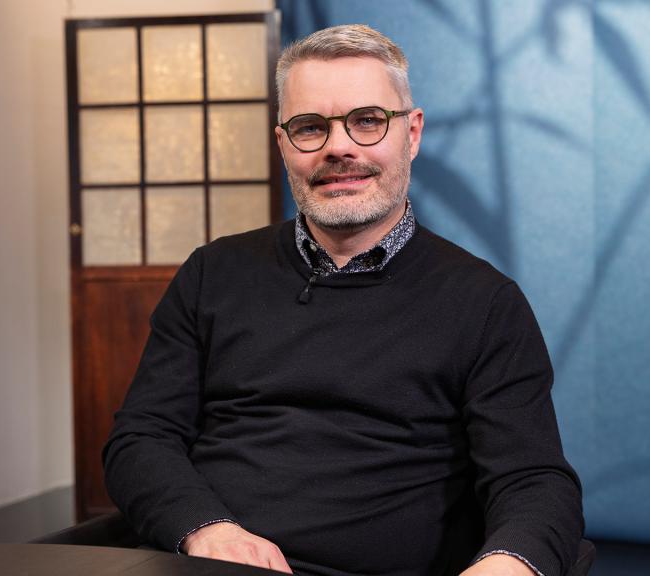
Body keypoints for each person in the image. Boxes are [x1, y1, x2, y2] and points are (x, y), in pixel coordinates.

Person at [103, 24, 583, 576]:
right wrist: (207, 530)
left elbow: (534, 480)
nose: (339, 147)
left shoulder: (485, 303)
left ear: (412, 133)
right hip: (217, 564)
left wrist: (508, 562)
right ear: (283, 144)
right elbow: (141, 438)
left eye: (368, 120)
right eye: (310, 127)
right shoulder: (212, 274)